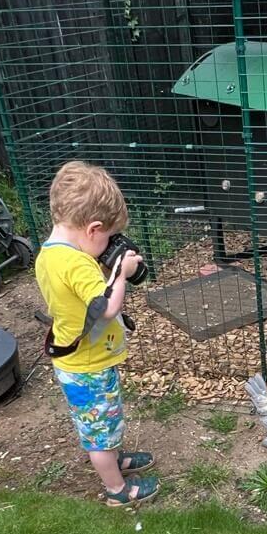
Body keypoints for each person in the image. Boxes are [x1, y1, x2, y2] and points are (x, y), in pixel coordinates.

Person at [35, 161, 159, 506]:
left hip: (80, 361)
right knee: (99, 433)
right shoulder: (76, 263)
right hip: (88, 366)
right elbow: (106, 307)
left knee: (106, 421)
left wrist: (104, 266)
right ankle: (118, 490)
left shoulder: (51, 255)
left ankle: (115, 460)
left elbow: (80, 296)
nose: (107, 244)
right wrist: (120, 272)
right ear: (92, 229)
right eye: (106, 236)